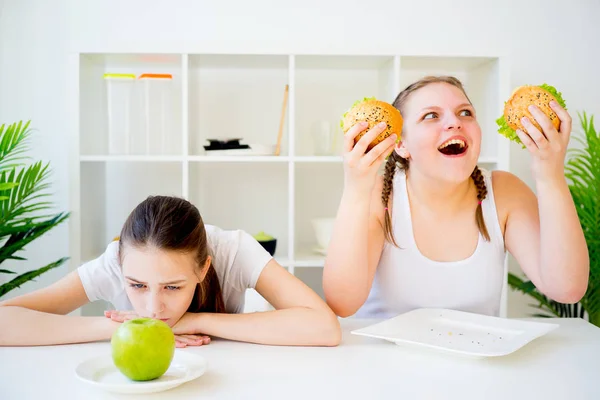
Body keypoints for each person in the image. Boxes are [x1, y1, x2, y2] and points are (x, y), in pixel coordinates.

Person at [323, 75, 589, 319]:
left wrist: (550, 175)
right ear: (401, 145)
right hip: (384, 364)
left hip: (477, 365)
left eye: (465, 112)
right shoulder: (379, 195)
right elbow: (343, 302)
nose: (455, 122)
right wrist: (356, 190)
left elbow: (566, 289)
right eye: (430, 116)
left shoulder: (504, 192)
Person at [0, 195, 341, 347]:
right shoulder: (114, 261)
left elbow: (324, 328)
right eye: (137, 285)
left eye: (173, 287)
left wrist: (196, 321)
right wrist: (118, 328)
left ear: (203, 267)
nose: (152, 308)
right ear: (121, 267)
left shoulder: (231, 249)